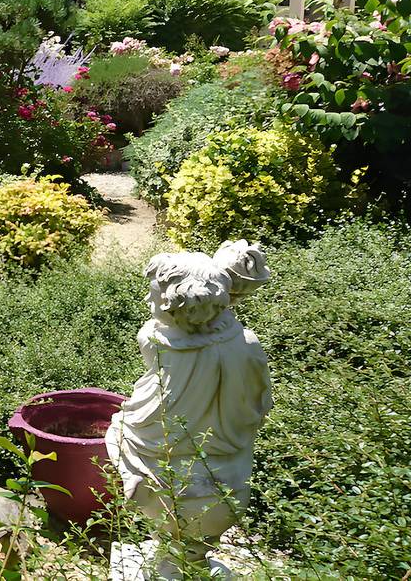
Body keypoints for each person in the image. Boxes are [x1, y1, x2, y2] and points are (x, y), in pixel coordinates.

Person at [106, 247, 272, 576]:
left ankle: (172, 566)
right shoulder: (248, 344)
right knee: (196, 532)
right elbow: (259, 404)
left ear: (181, 305)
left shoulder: (153, 340)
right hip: (229, 476)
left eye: (154, 296)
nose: (148, 302)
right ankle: (191, 564)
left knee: (117, 430)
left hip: (161, 466)